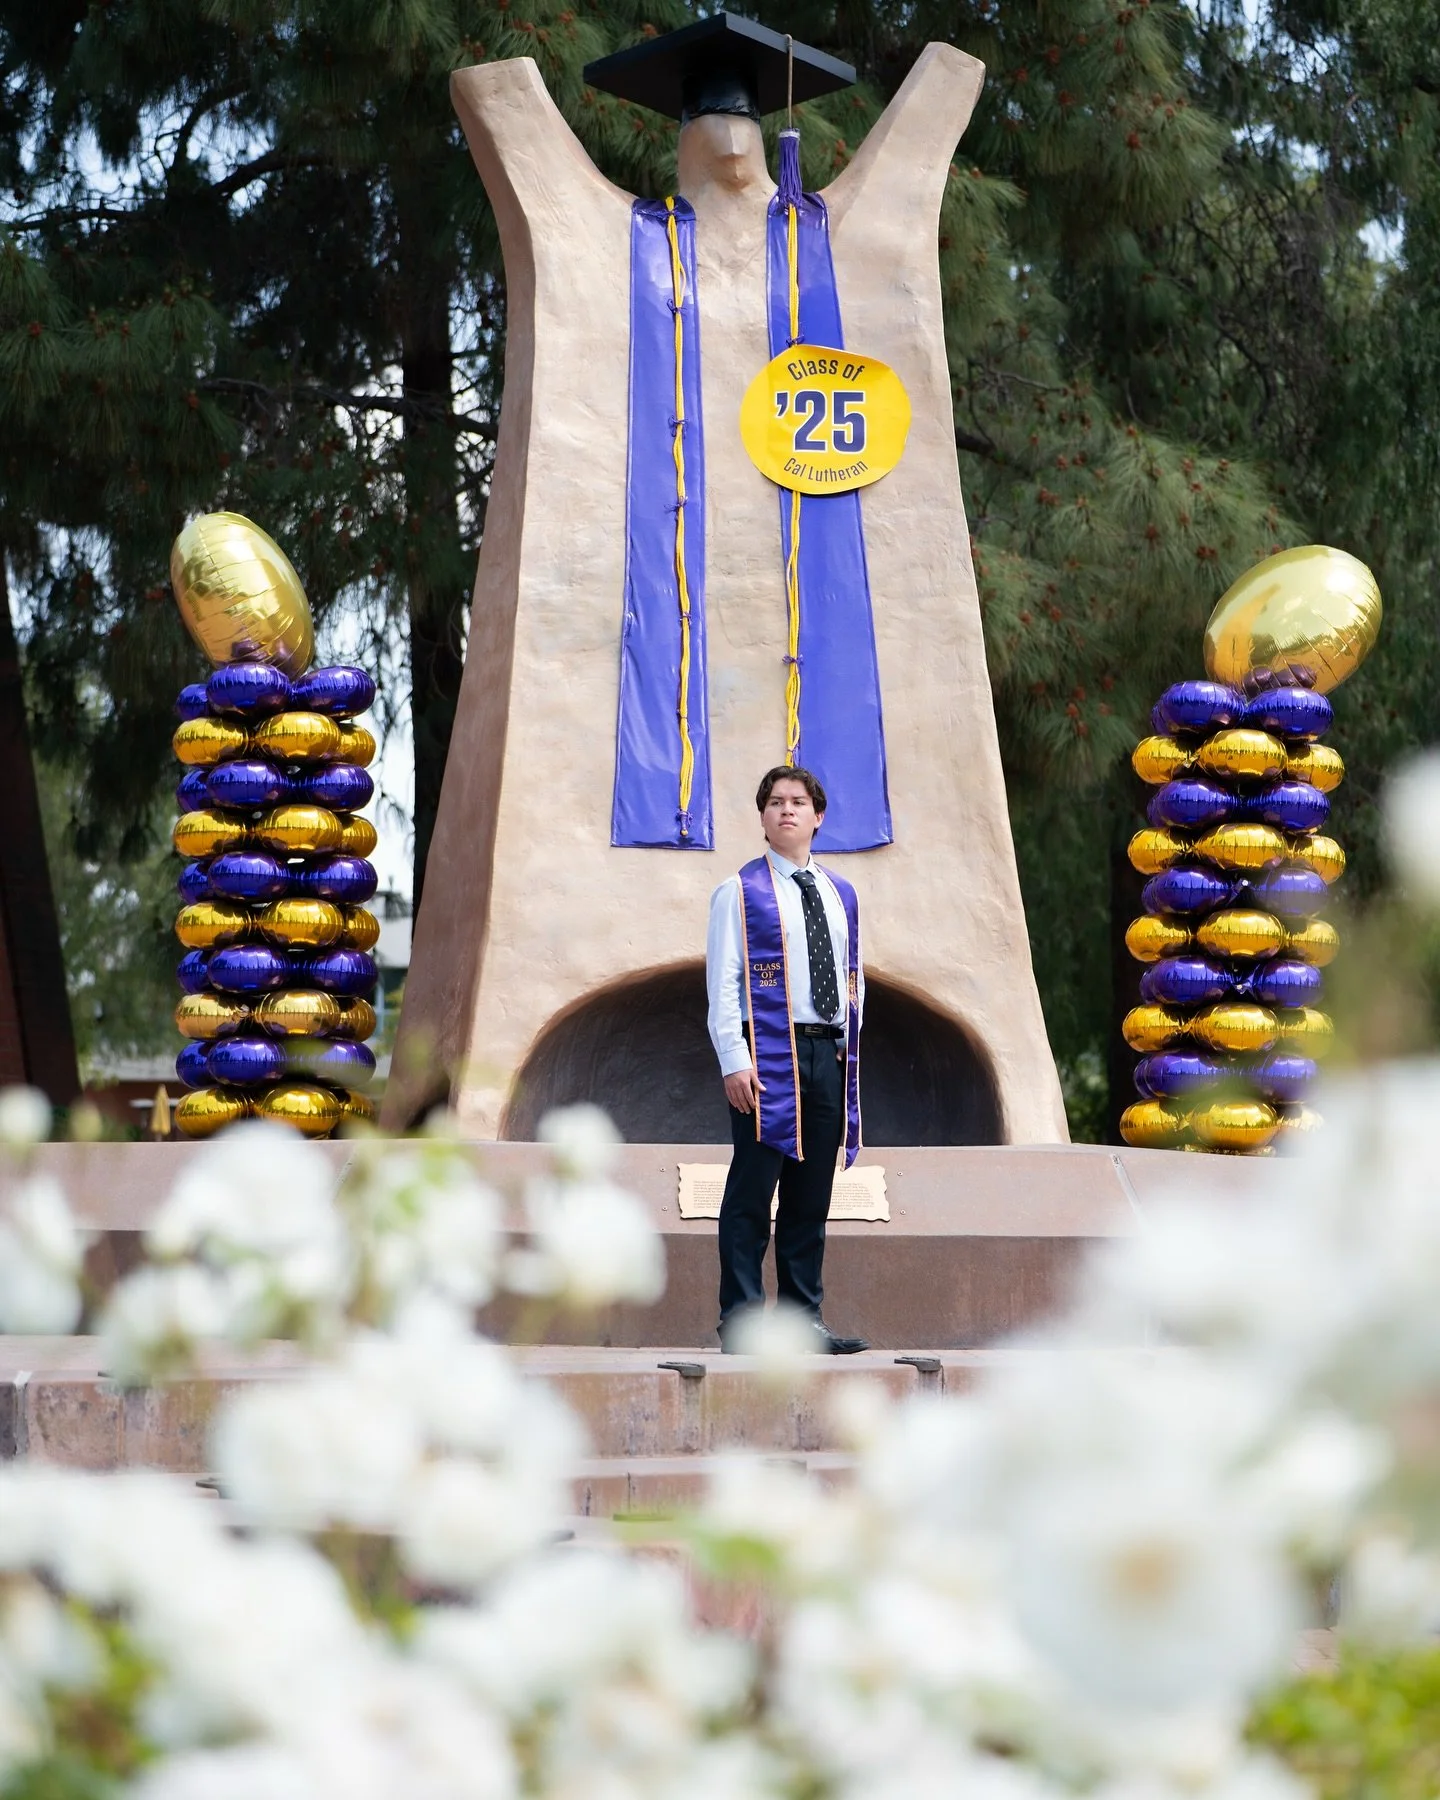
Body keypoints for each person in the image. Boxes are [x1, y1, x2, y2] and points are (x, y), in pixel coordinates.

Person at [706, 766, 869, 1354]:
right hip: (768, 1053)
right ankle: (744, 1323)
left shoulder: (839, 894)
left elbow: (853, 976)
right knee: (753, 1188)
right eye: (775, 802)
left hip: (826, 1051)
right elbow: (724, 981)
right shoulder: (740, 891)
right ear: (763, 818)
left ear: (818, 816)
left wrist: (848, 1048)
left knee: (810, 1195)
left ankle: (803, 1322)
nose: (787, 811)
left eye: (798, 802)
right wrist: (733, 1057)